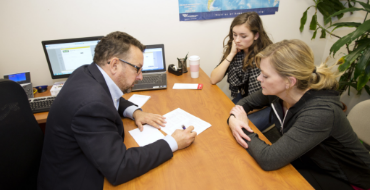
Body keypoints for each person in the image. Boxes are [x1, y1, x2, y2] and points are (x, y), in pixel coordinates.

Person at [37, 31, 197, 190]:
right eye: (137, 69)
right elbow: (120, 167)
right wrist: (173, 142)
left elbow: (110, 95)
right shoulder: (91, 105)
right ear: (114, 65)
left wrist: (135, 112)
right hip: (75, 180)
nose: (140, 77)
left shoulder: (88, 73)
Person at [228, 39, 370, 190]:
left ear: (290, 81)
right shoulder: (280, 91)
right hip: (309, 160)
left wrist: (239, 126)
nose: (259, 78)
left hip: (348, 178)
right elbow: (243, 104)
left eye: (265, 76)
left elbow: (268, 159)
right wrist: (234, 119)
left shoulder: (320, 112)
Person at [210, 12, 273, 132]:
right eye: (235, 35)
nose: (237, 40)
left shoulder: (266, 57)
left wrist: (240, 114)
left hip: (266, 104)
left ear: (256, 35)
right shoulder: (236, 49)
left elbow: (265, 97)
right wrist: (232, 54)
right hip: (245, 97)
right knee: (221, 117)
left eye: (243, 36)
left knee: (238, 128)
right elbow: (214, 79)